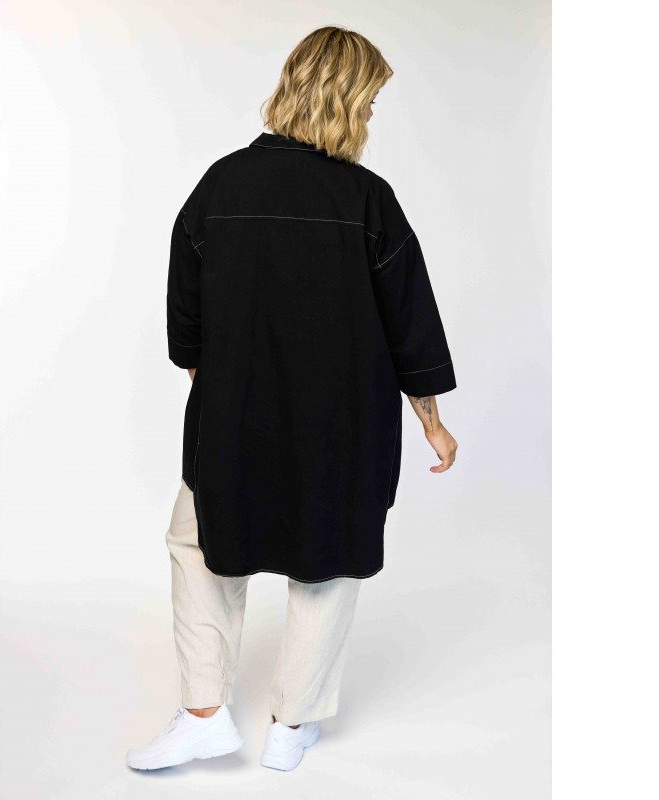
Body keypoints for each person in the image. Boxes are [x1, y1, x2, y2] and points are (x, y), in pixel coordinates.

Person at [127, 25, 459, 773]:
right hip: (344, 425)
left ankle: (203, 714)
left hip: (233, 417)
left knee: (199, 544)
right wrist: (432, 422)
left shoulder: (220, 185)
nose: (369, 117)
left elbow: (187, 325)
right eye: (368, 103)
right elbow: (410, 319)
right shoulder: (368, 200)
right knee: (327, 558)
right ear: (342, 100)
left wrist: (226, 395)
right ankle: (290, 726)